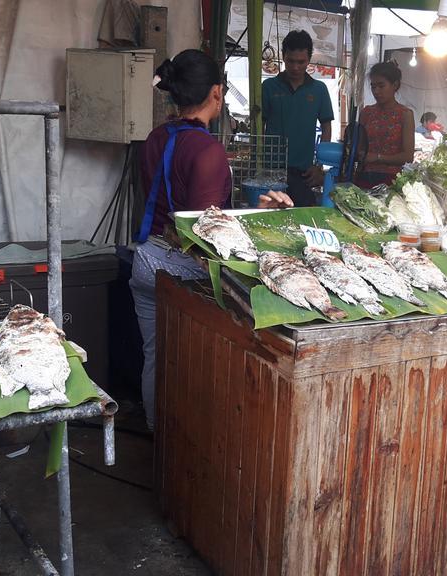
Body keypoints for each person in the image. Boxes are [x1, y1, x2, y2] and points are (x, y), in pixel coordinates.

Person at [131, 49, 292, 429]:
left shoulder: (155, 137)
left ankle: (159, 445)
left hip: (146, 257)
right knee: (194, 366)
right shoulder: (208, 151)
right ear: (217, 93)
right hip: (182, 271)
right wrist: (262, 218)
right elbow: (205, 236)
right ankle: (182, 455)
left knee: (155, 358)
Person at [262, 30, 335, 206]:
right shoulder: (268, 86)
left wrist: (319, 165)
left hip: (304, 172)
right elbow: (258, 125)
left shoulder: (319, 89)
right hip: (272, 169)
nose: (295, 67)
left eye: (301, 62)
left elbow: (326, 126)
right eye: (291, 61)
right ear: (283, 57)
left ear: (309, 60)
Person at [354, 61, 416, 188]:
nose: (376, 91)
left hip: (392, 181)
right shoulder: (366, 112)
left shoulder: (405, 114)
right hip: (364, 177)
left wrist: (377, 157)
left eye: (381, 86)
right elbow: (360, 149)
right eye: (373, 86)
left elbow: (408, 156)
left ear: (395, 85)